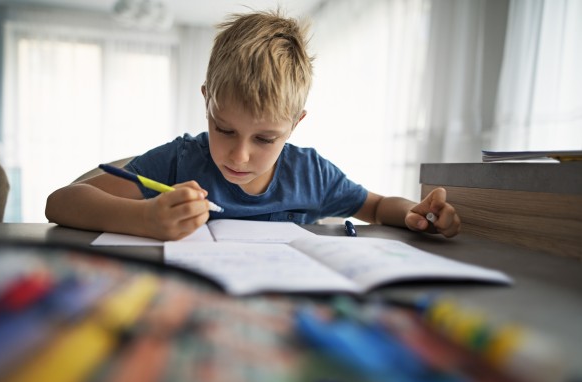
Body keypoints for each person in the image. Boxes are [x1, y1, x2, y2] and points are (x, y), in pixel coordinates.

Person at [45, 9, 460, 241]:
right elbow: (61, 202)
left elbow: (376, 206)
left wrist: (413, 214)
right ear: (207, 100)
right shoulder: (181, 160)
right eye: (223, 129)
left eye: (264, 138)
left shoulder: (310, 173)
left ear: (295, 125)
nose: (239, 155)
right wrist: (144, 218)